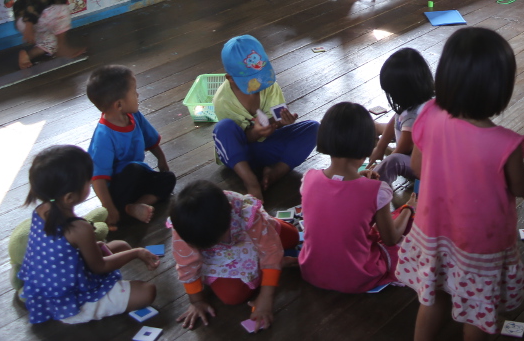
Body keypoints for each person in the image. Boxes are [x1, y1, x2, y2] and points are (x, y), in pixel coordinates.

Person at [397, 27, 524, 340]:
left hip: (433, 233)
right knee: (478, 310)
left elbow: (417, 166)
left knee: (435, 296)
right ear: (500, 88)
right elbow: (521, 187)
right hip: (479, 247)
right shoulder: (505, 144)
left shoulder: (429, 113)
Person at [18, 145, 159, 324]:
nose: (91, 182)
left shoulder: (41, 210)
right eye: (88, 180)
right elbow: (99, 267)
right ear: (69, 197)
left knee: (121, 246)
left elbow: (64, 251)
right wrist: (137, 252)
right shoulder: (79, 229)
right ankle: (105, 299)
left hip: (48, 293)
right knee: (148, 291)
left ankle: (117, 286)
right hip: (73, 304)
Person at [299, 102, 417, 293]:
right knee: (406, 241)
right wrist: (409, 208)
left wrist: (356, 183)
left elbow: (335, 201)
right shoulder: (377, 191)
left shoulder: (308, 179)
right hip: (356, 277)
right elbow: (391, 238)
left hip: (311, 271)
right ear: (367, 145)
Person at [169, 180, 299, 331]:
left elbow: (270, 249)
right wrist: (196, 301)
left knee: (293, 237)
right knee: (232, 296)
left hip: (248, 232)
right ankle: (274, 264)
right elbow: (187, 265)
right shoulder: (184, 230)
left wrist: (266, 297)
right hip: (222, 257)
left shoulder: (244, 212)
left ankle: (271, 257)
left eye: (217, 240)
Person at [211, 35, 320, 198]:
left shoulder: (269, 86)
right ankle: (251, 181)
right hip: (238, 156)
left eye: (260, 77)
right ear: (230, 79)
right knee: (223, 128)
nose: (257, 85)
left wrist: (281, 123)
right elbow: (237, 139)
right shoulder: (222, 99)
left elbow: (274, 119)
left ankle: (276, 172)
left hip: (266, 148)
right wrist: (256, 133)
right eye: (250, 82)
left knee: (314, 128)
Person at [86, 65, 176, 230]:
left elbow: (151, 139)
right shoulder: (104, 136)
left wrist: (161, 160)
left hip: (138, 177)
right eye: (134, 91)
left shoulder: (134, 116)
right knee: (134, 169)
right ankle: (122, 208)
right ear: (119, 105)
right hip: (117, 188)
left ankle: (136, 206)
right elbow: (98, 179)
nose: (137, 94)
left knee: (168, 178)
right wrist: (109, 208)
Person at [368, 47, 435, 184]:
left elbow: (403, 149)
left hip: (422, 167)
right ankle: (374, 127)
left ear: (403, 92)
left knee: (394, 161)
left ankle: (374, 187)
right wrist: (380, 146)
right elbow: (396, 118)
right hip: (406, 134)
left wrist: (382, 165)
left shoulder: (414, 116)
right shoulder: (417, 100)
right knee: (396, 124)